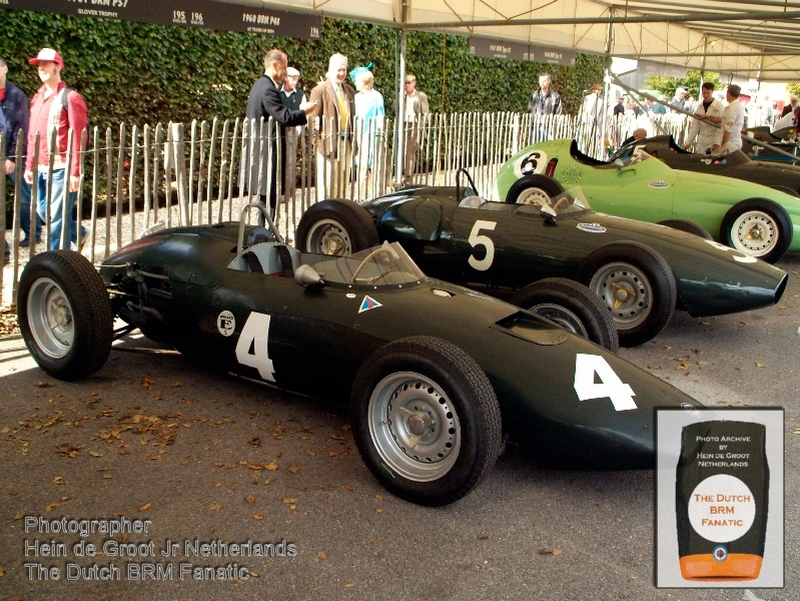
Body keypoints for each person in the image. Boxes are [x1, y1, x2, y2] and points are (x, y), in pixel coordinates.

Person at [23, 48, 88, 251]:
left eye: (45, 64)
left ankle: (57, 260)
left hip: (61, 168)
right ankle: (79, 233)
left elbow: (78, 136)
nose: (41, 67)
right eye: (38, 64)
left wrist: (75, 172)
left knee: (56, 220)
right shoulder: (37, 98)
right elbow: (32, 134)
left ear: (58, 66)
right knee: (45, 213)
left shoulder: (70, 98)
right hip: (40, 167)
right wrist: (29, 165)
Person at [245, 50, 314, 218]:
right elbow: (283, 116)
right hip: (266, 150)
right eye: (284, 68)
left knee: (265, 197)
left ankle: (265, 232)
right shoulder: (268, 88)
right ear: (275, 66)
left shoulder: (259, 85)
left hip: (261, 147)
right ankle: (266, 234)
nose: (285, 73)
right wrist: (304, 112)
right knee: (269, 196)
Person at [1, 56, 38, 248]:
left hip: (13, 154)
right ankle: (3, 245)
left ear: (5, 68)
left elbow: (21, 128)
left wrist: (12, 157)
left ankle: (33, 232)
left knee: (24, 196)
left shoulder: (17, 95)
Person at [309, 53, 356, 199]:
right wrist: (319, 144)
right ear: (330, 69)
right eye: (338, 70)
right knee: (327, 188)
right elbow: (312, 121)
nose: (341, 73)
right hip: (327, 146)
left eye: (344, 70)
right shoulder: (320, 90)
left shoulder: (349, 91)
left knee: (342, 187)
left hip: (346, 144)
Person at [353, 69, 384, 199]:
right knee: (361, 163)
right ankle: (366, 192)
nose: (354, 82)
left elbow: (380, 115)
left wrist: (379, 134)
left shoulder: (376, 96)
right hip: (358, 133)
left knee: (366, 164)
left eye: (357, 80)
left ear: (364, 82)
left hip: (371, 134)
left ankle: (360, 195)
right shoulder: (356, 97)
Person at [279, 66, 307, 203]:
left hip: (293, 133)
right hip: (278, 133)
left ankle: (288, 190)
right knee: (278, 160)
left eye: (296, 79)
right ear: (285, 78)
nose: (295, 82)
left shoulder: (300, 95)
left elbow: (304, 112)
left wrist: (296, 129)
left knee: (290, 162)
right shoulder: (278, 94)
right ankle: (278, 190)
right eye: (292, 79)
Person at [400, 73, 429, 186]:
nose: (406, 85)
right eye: (405, 83)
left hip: (414, 125)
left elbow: (425, 113)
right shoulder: (402, 95)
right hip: (403, 125)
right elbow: (394, 107)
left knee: (410, 152)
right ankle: (404, 175)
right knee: (402, 151)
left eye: (408, 83)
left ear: (414, 83)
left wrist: (421, 125)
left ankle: (408, 177)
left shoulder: (421, 96)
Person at [683, 82, 724, 154]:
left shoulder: (719, 106)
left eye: (708, 93)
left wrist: (717, 142)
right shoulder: (699, 107)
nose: (706, 95)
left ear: (712, 92)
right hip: (702, 140)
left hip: (713, 140)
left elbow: (722, 126)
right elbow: (695, 127)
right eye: (704, 93)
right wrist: (688, 143)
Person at [714, 84, 746, 155]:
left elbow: (728, 129)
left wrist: (723, 146)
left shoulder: (732, 109)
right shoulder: (737, 106)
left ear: (728, 93)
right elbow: (724, 121)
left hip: (731, 144)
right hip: (733, 142)